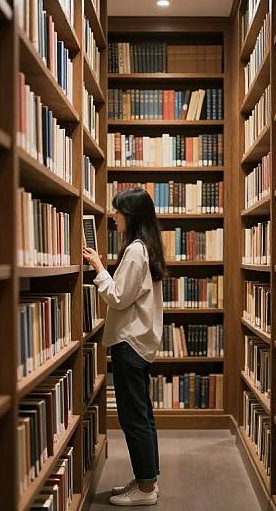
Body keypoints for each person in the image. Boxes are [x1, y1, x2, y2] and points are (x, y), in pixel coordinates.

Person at [83, 187, 165, 506]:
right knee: (142, 416)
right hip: (140, 343)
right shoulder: (148, 248)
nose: (113, 216)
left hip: (130, 343)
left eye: (117, 211)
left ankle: (145, 490)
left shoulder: (135, 250)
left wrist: (98, 267)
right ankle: (146, 479)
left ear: (129, 216)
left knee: (134, 418)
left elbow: (118, 297)